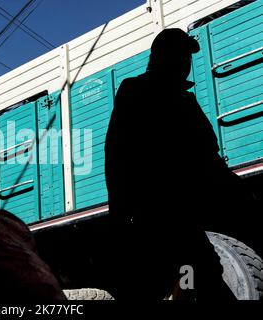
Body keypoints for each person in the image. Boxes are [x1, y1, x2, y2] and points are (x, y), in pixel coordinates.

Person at [104, 28, 249, 300]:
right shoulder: (136, 89)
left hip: (182, 213)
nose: (186, 62)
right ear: (162, 56)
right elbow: (117, 153)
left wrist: (238, 192)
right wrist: (121, 216)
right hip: (155, 212)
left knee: (192, 272)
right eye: (181, 55)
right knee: (194, 269)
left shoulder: (185, 99)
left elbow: (208, 155)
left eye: (188, 56)